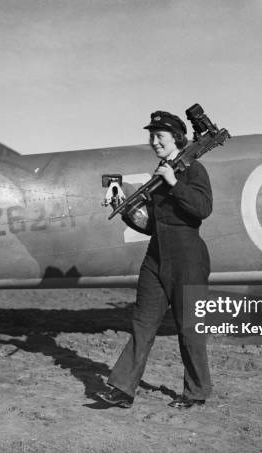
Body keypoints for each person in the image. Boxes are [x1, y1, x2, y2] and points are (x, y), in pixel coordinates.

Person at [97, 110, 213, 409]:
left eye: (160, 136)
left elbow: (202, 208)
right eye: (151, 136)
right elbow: (150, 225)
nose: (154, 141)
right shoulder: (161, 170)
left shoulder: (192, 169)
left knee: (189, 328)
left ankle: (196, 392)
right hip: (157, 256)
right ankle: (123, 389)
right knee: (142, 324)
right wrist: (124, 208)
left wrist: (175, 182)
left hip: (188, 258)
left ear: (176, 137)